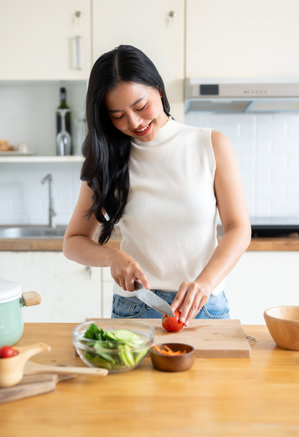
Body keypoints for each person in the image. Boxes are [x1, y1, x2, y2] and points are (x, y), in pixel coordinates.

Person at [63, 44, 251, 326]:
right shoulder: (107, 159)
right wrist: (112, 257)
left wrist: (205, 282)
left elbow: (239, 229)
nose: (135, 122)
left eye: (140, 106)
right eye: (118, 115)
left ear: (158, 90)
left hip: (206, 304)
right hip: (136, 307)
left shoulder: (210, 144)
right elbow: (72, 243)